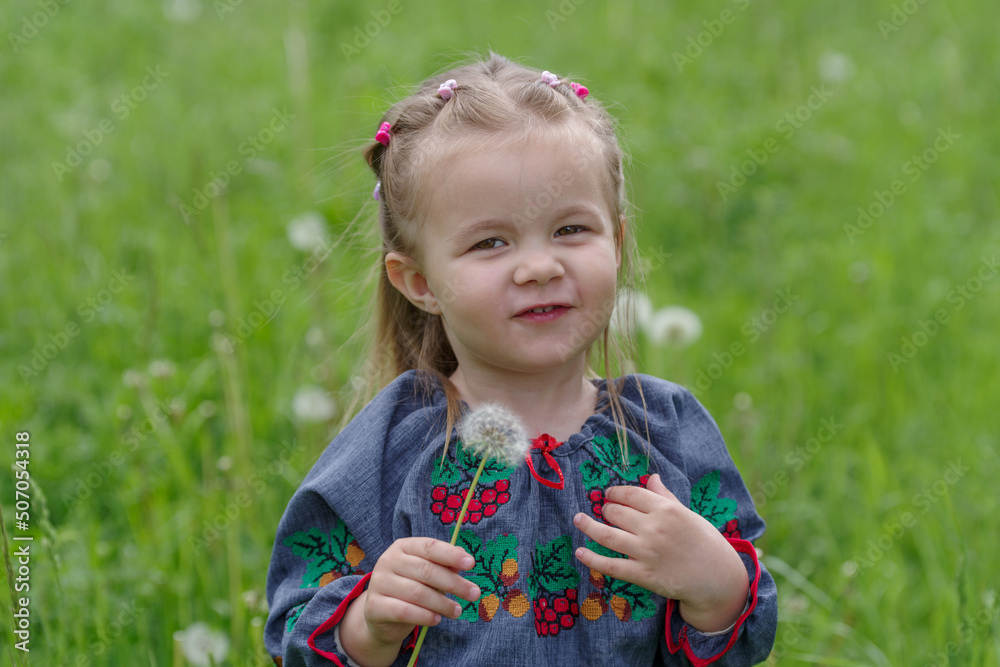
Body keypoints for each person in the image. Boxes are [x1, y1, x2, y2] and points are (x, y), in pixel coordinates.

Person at [265, 53, 777, 666]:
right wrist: (369, 623)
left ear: (615, 243)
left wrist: (717, 587)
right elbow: (297, 626)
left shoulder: (665, 431)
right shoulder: (390, 447)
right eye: (490, 242)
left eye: (570, 231)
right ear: (419, 280)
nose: (540, 266)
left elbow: (737, 642)